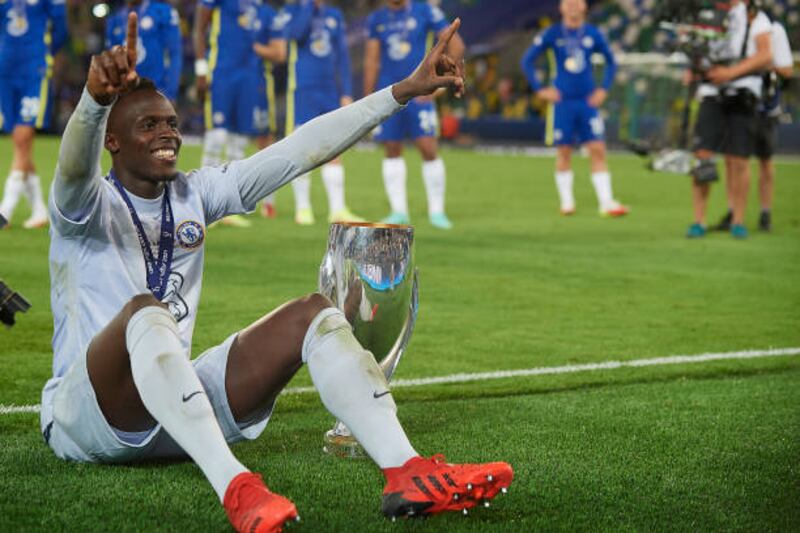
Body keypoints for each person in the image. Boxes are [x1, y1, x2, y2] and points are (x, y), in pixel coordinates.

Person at [41, 13, 513, 532]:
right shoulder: (83, 207)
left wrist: (399, 93)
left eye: (172, 122)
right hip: (86, 418)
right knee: (145, 312)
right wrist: (93, 102)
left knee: (313, 313)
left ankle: (408, 470)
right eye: (149, 125)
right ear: (113, 141)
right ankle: (237, 487)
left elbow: (296, 152)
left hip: (171, 411)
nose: (168, 134)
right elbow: (73, 168)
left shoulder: (194, 193)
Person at [521, 0, 628, 218]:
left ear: (584, 6)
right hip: (562, 103)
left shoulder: (592, 33)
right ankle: (567, 202)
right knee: (564, 151)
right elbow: (527, 61)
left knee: (598, 149)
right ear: (561, 7)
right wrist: (540, 89)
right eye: (567, 2)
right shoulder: (552, 33)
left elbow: (611, 61)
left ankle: (606, 202)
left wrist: (603, 89)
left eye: (576, 1)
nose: (572, 5)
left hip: (587, 102)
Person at [365, 0, 465, 229]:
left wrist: (440, 84)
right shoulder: (376, 19)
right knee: (391, 149)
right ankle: (399, 212)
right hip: (388, 93)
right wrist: (369, 100)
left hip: (420, 94)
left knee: (428, 148)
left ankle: (437, 212)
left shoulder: (425, 10)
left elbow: (456, 45)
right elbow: (371, 60)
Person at [264, 0, 363, 226]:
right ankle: (303, 208)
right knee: (303, 148)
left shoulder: (335, 15)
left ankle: (337, 209)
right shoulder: (291, 11)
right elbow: (296, 35)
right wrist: (309, 7)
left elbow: (342, 56)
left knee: (335, 147)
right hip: (302, 90)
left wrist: (346, 91)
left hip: (329, 91)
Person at [685, 0, 772, 239]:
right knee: (702, 156)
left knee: (739, 159)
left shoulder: (756, 18)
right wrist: (696, 68)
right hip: (711, 93)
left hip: (743, 94)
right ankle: (698, 220)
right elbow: (698, 50)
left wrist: (730, 73)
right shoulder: (706, 14)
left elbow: (766, 54)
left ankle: (738, 220)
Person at [194, 0, 285, 226]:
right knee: (216, 138)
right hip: (222, 74)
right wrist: (201, 69)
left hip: (251, 81)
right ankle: (200, 202)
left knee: (238, 144)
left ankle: (226, 209)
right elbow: (199, 27)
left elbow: (279, 52)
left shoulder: (266, 12)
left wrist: (258, 49)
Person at [711, 14, 793, 233]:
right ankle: (732, 212)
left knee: (764, 161)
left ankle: (765, 213)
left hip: (764, 107)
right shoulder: (731, 26)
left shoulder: (774, 29)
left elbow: (787, 70)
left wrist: (756, 67)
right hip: (736, 102)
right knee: (732, 159)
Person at [0, 0, 67, 229]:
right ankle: (39, 210)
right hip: (5, 73)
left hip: (33, 72)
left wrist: (43, 54)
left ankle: (5, 210)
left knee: (22, 136)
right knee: (21, 143)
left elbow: (61, 28)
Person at [106, 0, 182, 102]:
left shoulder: (163, 12)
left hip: (158, 92)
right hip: (127, 96)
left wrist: (170, 93)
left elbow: (174, 53)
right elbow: (112, 63)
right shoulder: (114, 20)